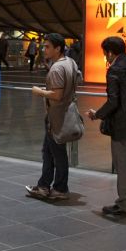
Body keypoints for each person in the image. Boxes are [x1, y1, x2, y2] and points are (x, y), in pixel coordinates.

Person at [86, 37, 126, 217]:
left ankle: (125, 204)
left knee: (123, 163)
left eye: (104, 54)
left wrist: (96, 114)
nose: (105, 57)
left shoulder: (114, 69)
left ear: (109, 52)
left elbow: (114, 101)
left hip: (123, 123)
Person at [26, 33, 78, 200]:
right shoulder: (71, 62)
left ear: (58, 48)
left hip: (56, 116)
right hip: (61, 114)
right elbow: (79, 78)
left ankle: (60, 188)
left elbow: (56, 95)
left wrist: (39, 92)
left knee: (57, 153)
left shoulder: (57, 68)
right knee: (49, 151)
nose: (44, 49)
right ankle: (43, 186)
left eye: (48, 46)